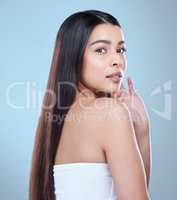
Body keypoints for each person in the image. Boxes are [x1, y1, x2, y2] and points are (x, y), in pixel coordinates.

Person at [29, 9, 152, 200]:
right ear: (74, 57)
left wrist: (142, 129)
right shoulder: (109, 113)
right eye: (101, 50)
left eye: (121, 50)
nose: (117, 61)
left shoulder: (59, 119)